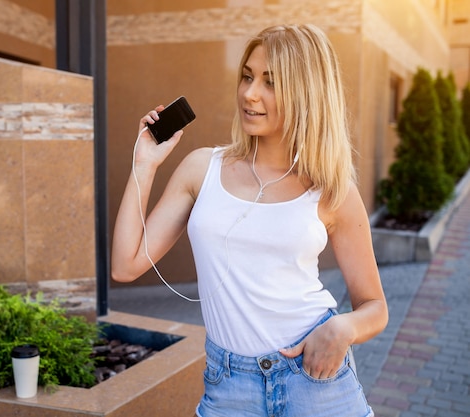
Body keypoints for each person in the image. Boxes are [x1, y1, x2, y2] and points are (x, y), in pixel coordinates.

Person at [111, 23, 388, 417]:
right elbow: (125, 265)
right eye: (247, 76)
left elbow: (375, 306)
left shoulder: (331, 188)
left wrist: (343, 329)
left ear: (305, 92)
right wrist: (144, 164)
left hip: (315, 378)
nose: (250, 94)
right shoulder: (201, 168)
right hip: (229, 386)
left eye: (270, 82)